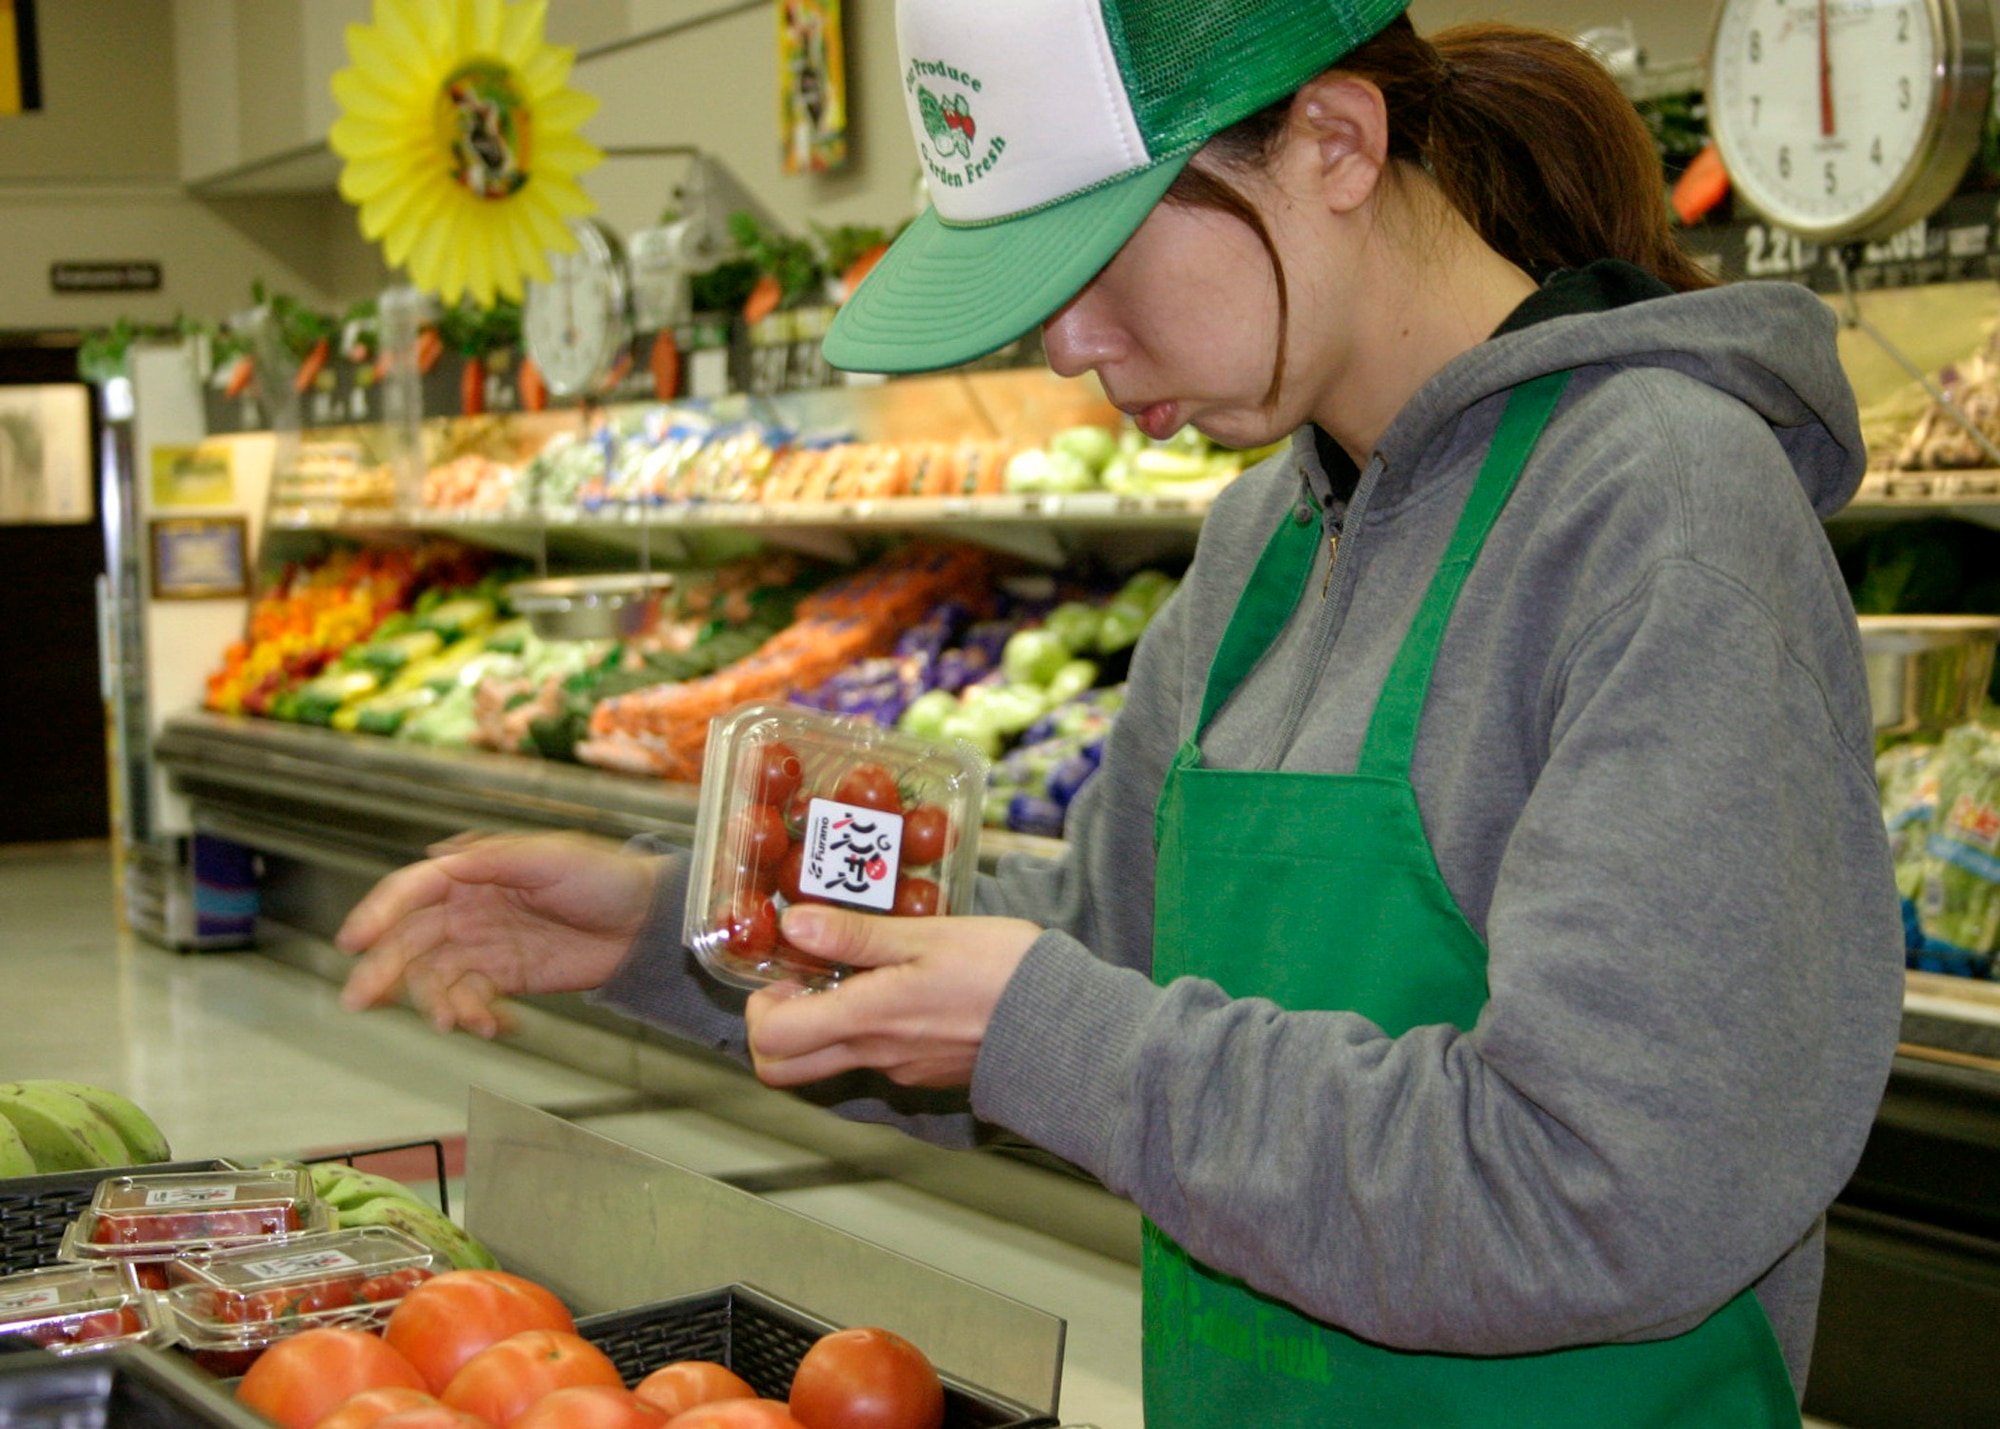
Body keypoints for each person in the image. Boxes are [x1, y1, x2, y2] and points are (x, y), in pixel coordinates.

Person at [337, 0, 1906, 1422]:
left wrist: (1052, 1029)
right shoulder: (1261, 546)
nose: (1073, 349)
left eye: (1098, 256)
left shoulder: (1661, 510)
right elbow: (1106, 955)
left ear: (1335, 143)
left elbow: (1603, 1187)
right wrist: (687, 916)